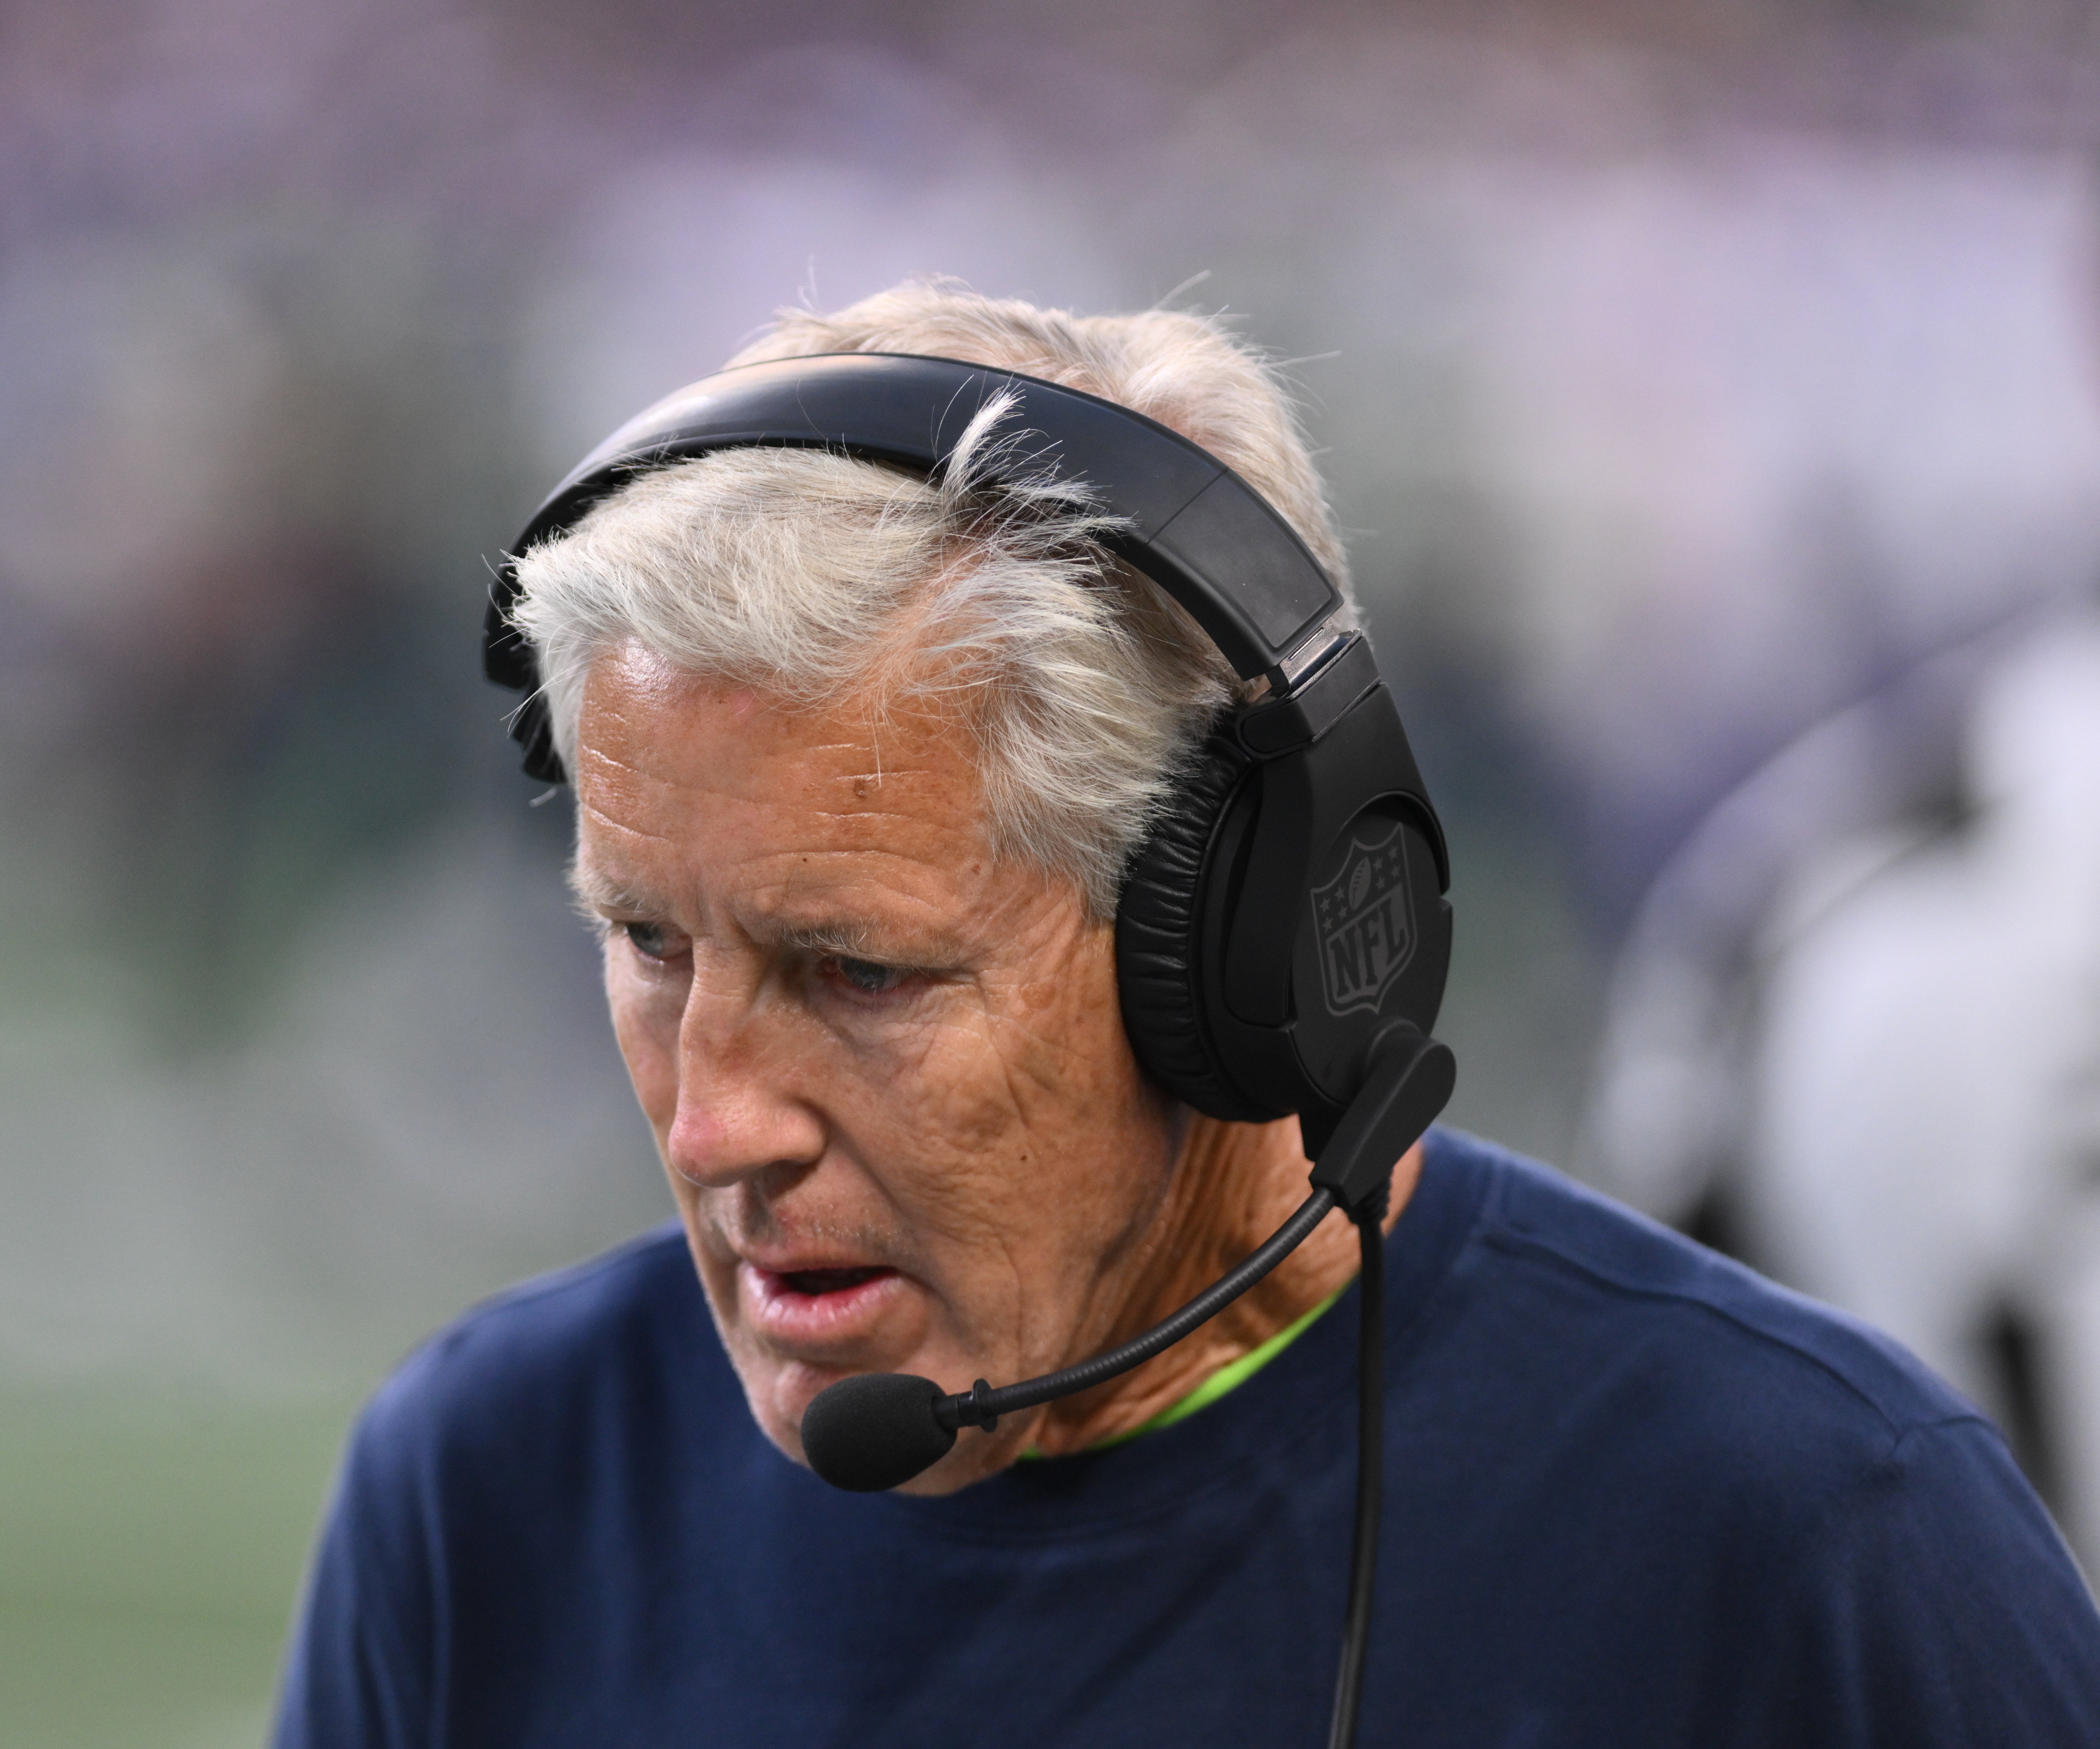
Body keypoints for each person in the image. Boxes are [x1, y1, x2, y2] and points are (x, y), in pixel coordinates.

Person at [273, 282, 2100, 1746]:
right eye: (652, 946)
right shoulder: (488, 1493)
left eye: (862, 974)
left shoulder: (1812, 1540)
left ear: (1245, 942)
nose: (715, 1122)